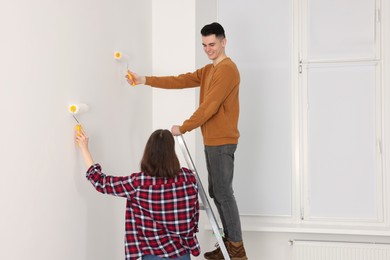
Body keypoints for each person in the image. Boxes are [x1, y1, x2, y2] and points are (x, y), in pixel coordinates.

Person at [126, 22, 247, 260]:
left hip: (222, 141)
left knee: (223, 192)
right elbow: (181, 80)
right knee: (215, 192)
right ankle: (227, 244)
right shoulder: (209, 70)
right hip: (212, 141)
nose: (208, 49)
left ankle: (237, 250)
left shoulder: (227, 70)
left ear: (224, 41)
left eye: (212, 44)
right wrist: (144, 79)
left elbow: (210, 106)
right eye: (204, 45)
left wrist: (184, 127)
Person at [75, 127, 200, 260]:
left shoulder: (138, 183)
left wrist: (84, 148)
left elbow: (101, 182)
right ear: (172, 152)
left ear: (149, 152)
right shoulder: (188, 177)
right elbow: (194, 213)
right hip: (182, 253)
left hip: (153, 254)